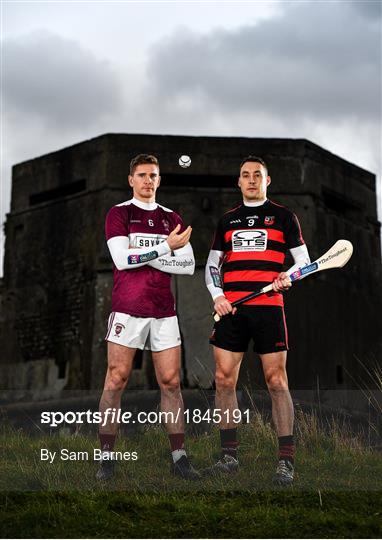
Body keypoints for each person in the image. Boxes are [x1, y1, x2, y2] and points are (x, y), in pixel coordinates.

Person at [205, 156, 310, 485]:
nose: (251, 180)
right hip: (232, 309)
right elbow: (211, 267)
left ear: (267, 181)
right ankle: (229, 457)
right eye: (245, 175)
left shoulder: (284, 217)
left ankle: (286, 462)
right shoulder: (227, 221)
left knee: (277, 381)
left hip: (269, 306)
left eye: (257, 175)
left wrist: (287, 277)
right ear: (239, 182)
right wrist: (218, 297)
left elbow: (303, 262)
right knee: (224, 380)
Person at [97, 154, 200, 481]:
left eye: (152, 175)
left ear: (159, 180)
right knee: (116, 379)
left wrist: (155, 254)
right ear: (131, 179)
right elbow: (122, 259)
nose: (147, 181)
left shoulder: (172, 218)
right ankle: (106, 460)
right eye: (141, 175)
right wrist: (165, 248)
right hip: (127, 308)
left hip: (164, 313)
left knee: (170, 383)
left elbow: (188, 265)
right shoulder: (119, 213)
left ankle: (179, 458)